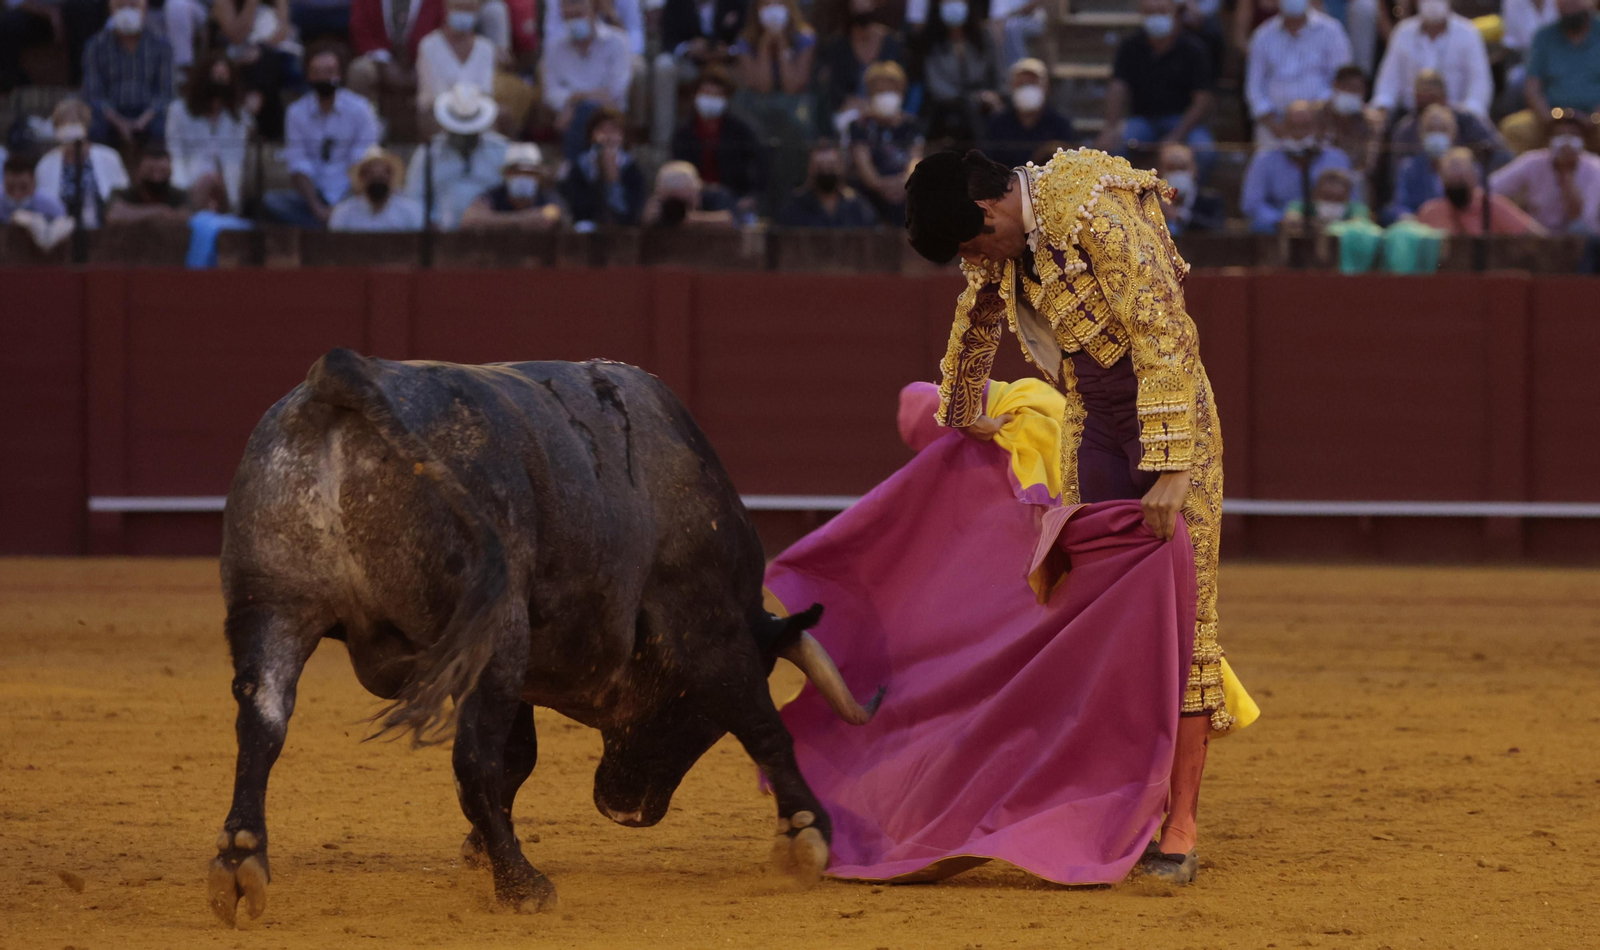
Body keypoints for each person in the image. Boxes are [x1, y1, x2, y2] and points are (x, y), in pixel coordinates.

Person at [900, 146, 1241, 886]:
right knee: (1095, 616)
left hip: (1169, 424)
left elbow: (1165, 336)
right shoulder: (1005, 240)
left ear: (992, 211)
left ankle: (1179, 822)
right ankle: (1115, 801)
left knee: (1188, 620)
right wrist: (962, 412)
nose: (975, 260)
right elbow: (979, 314)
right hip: (1094, 422)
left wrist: (1175, 465)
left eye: (971, 244)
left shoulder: (1094, 211)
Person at [265, 47, 381, 228]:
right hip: (313, 196)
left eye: (329, 72)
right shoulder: (296, 112)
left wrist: (340, 208)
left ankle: (331, 224)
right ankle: (330, 225)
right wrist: (317, 208)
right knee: (271, 202)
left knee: (373, 205)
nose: (324, 78)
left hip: (350, 195)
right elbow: (298, 164)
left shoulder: (360, 109)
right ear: (309, 77)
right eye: (317, 73)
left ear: (340, 75)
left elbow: (364, 162)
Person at [1098, 0, 1215, 167]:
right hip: (1143, 121)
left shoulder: (1194, 49)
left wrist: (1177, 136)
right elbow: (1117, 88)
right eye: (1150, 12)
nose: (1156, 17)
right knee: (1114, 145)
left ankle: (1192, 193)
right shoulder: (1130, 47)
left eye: (1161, 11)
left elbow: (1202, 101)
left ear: (1174, 12)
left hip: (1182, 121)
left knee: (1205, 151)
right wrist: (1110, 127)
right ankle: (1124, 192)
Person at [406, 83, 511, 230]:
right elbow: (414, 199)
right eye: (458, 131)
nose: (463, 137)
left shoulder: (502, 150)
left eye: (469, 132)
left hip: (491, 231)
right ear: (447, 126)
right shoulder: (427, 153)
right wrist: (428, 223)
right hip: (440, 233)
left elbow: (513, 196)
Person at [1245, 0, 1352, 143]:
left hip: (1321, 123)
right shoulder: (1262, 35)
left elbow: (1343, 82)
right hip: (1274, 125)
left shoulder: (1332, 31)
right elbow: (1253, 88)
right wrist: (1273, 124)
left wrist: (1315, 114)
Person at [1369, 0, 1493, 124]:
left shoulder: (1469, 33)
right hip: (1411, 117)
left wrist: (1469, 115)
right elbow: (1387, 85)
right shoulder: (1402, 32)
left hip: (1457, 119)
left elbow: (1480, 85)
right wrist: (1381, 109)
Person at [1500, 0, 1600, 154]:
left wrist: (1594, 118)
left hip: (1594, 120)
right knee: (1513, 129)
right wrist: (1549, 119)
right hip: (1551, 119)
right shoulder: (1544, 36)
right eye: (1563, 3)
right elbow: (1532, 87)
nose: (1569, 7)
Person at [1241, 99, 1353, 232]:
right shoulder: (1264, 159)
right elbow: (1251, 203)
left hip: (1331, 223)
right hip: (1281, 223)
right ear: (1283, 128)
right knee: (1261, 227)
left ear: (1317, 128)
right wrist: (1280, 219)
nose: (1299, 134)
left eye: (1306, 126)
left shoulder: (1337, 158)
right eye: (1293, 126)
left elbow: (1353, 200)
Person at [542, 0, 635, 159]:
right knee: (579, 113)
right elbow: (551, 93)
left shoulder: (618, 42)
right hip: (568, 120)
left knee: (585, 111)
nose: (574, 21)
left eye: (578, 15)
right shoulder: (554, 47)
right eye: (568, 17)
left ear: (595, 9)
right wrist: (579, 101)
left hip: (607, 117)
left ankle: (573, 168)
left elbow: (615, 91)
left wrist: (574, 100)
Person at [165, 51, 254, 212]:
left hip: (225, 187)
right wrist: (184, 193)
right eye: (214, 76)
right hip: (190, 182)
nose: (218, 83)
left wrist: (229, 196)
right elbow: (176, 155)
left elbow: (235, 160)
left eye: (223, 77)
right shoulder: (178, 112)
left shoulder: (239, 118)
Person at [1490, 108, 1600, 233]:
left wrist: (1566, 174)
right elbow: (1492, 188)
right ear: (1549, 140)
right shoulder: (1532, 161)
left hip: (1580, 244)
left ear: (1583, 141)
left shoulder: (1595, 167)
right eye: (1560, 135)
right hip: (1536, 236)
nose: (1566, 142)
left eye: (1572, 135)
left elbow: (1582, 217)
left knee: (1579, 228)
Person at [82, 0, 175, 148]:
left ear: (145, 8)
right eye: (121, 6)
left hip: (148, 114)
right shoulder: (95, 45)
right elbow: (93, 94)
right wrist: (120, 123)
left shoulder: (161, 45)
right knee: (95, 127)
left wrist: (142, 121)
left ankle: (155, 168)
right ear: (111, 9)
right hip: (111, 113)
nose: (127, 11)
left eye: (133, 6)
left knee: (164, 124)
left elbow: (165, 93)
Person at [652, 0, 746, 145]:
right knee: (663, 65)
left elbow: (746, 38)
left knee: (745, 66)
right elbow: (668, 42)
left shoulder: (734, 3)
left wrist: (728, 51)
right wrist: (688, 48)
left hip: (726, 65)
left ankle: (739, 141)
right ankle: (663, 141)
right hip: (690, 64)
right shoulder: (675, 4)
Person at [908, 0, 1001, 146]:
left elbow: (998, 74)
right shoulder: (930, 39)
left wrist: (994, 95)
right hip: (944, 108)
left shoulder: (984, 36)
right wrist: (969, 98)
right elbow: (936, 84)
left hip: (983, 104)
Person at [1386, 69, 1505, 182]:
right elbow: (1396, 175)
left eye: (1432, 97)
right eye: (1423, 98)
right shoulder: (1405, 129)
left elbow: (1500, 154)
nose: (1430, 105)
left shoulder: (1467, 121)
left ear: (1444, 96)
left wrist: (1475, 171)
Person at [669, 65, 765, 203]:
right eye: (707, 93)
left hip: (733, 198)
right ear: (696, 95)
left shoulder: (741, 130)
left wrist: (750, 197)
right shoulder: (683, 132)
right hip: (693, 197)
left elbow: (759, 165)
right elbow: (678, 167)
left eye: (716, 95)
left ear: (725, 98)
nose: (710, 99)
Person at [33, 98, 131, 230]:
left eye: (74, 123)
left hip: (103, 230)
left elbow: (123, 197)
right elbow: (41, 207)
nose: (70, 130)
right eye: (64, 124)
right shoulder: (45, 164)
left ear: (86, 126)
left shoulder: (109, 157)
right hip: (60, 234)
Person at [846, 60, 924, 224]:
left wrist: (904, 182)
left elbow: (916, 159)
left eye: (892, 89)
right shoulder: (860, 125)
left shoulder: (912, 125)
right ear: (870, 94)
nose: (886, 94)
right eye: (880, 90)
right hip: (871, 191)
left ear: (902, 93)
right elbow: (863, 165)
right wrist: (881, 185)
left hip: (905, 187)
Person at [814, 0, 907, 132]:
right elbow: (834, 92)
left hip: (888, 115)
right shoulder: (837, 47)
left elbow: (902, 86)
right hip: (850, 116)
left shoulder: (894, 44)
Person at [1417, 146, 1548, 233]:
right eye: (1451, 179)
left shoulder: (1492, 206)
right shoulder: (1430, 212)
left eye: (1461, 178)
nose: (1456, 183)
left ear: (1474, 177)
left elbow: (1538, 236)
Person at [558, 105, 647, 226]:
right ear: (592, 135)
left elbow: (631, 211)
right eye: (602, 130)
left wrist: (613, 181)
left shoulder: (632, 168)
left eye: (613, 130)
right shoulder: (580, 166)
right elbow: (578, 208)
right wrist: (598, 176)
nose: (608, 136)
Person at [982, 58, 1073, 170]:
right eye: (1021, 83)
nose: (1027, 88)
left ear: (1046, 87)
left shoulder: (1060, 125)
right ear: (1011, 87)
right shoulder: (997, 124)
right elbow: (988, 165)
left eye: (1032, 83)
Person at [459, 141, 564, 229]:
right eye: (517, 172)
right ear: (506, 175)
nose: (523, 177)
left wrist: (494, 220)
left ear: (539, 176)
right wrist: (520, 220)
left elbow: (553, 216)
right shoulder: (495, 196)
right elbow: (470, 219)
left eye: (529, 173)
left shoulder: (547, 196)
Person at [776, 139, 880, 226]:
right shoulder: (795, 206)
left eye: (831, 166)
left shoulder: (858, 206)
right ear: (810, 169)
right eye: (820, 166)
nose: (826, 171)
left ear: (841, 168)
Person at [1386, 103, 1456, 222]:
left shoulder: (1466, 168)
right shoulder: (1408, 167)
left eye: (1442, 129)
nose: (1436, 135)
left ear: (1452, 134)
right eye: (1430, 130)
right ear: (1421, 134)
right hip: (1418, 228)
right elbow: (1400, 204)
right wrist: (1409, 219)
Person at [329, 145, 426, 230]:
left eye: (382, 175)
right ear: (361, 178)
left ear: (391, 177)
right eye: (372, 175)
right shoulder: (344, 214)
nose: (377, 179)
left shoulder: (409, 212)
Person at [106, 145, 191, 224]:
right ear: (138, 171)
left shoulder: (180, 196)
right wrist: (158, 211)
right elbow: (113, 215)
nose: (157, 178)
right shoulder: (122, 194)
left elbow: (188, 216)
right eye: (150, 171)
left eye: (163, 171)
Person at [1322, 64, 1381, 177]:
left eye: (1356, 89)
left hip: (1354, 179)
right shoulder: (1318, 114)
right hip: (1321, 177)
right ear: (1335, 86)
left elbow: (1369, 164)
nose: (1351, 92)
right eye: (1347, 87)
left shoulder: (1372, 121)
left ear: (1364, 92)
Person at [1157, 141, 1225, 234]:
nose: (1177, 173)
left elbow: (1218, 230)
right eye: (1171, 168)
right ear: (1160, 172)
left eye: (1182, 168)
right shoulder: (1149, 202)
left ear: (1195, 170)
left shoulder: (1211, 200)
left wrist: (1182, 217)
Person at [642, 159, 736, 226]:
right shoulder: (657, 204)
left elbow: (729, 219)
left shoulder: (715, 195)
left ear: (696, 191)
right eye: (673, 199)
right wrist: (646, 219)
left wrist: (690, 218)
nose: (677, 206)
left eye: (683, 201)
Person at [1279, 166, 1372, 232]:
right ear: (1315, 194)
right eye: (1327, 196)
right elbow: (1291, 217)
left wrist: (1330, 226)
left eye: (1338, 198)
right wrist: (1307, 222)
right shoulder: (1302, 206)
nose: (1332, 201)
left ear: (1347, 197)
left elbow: (1359, 222)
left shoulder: (1357, 208)